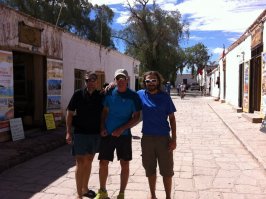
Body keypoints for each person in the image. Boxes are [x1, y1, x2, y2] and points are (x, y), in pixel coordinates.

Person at [95, 69, 142, 199]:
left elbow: (136, 117)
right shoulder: (109, 93)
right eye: (118, 79)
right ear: (115, 80)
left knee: (125, 164)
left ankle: (121, 194)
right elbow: (104, 112)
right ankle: (102, 191)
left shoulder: (133, 96)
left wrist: (121, 129)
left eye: (123, 78)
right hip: (108, 134)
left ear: (127, 80)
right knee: (103, 163)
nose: (120, 81)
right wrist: (102, 127)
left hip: (124, 135)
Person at [137, 71, 177, 199]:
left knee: (167, 171)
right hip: (147, 139)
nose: (151, 83)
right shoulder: (140, 95)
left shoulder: (165, 97)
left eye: (154, 80)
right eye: (148, 81)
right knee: (150, 169)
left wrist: (174, 139)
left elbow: (172, 118)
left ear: (158, 82)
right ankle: (153, 195)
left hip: (163, 139)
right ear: (144, 83)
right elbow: (125, 92)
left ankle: (168, 197)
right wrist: (111, 85)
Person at [66, 72, 103, 199]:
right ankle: (78, 194)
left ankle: (85, 188)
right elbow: (69, 113)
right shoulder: (78, 94)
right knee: (80, 162)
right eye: (87, 80)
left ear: (97, 82)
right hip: (80, 133)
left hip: (94, 134)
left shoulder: (100, 95)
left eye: (93, 80)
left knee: (89, 161)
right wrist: (68, 132)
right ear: (85, 81)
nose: (90, 82)